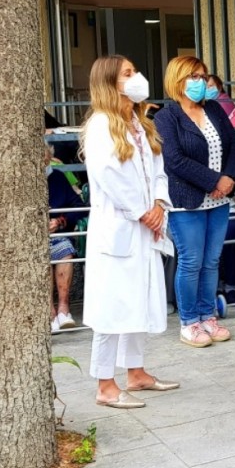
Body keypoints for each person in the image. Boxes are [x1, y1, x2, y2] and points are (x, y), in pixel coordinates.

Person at [81, 55, 179, 409]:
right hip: (119, 229)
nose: (137, 77)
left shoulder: (139, 123)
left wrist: (157, 202)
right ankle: (105, 384)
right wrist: (141, 211)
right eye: (128, 73)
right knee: (111, 307)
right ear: (111, 82)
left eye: (135, 70)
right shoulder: (100, 125)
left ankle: (135, 373)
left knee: (138, 300)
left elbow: (159, 170)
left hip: (144, 226)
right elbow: (110, 178)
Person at [154, 56, 235, 348]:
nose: (201, 82)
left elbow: (233, 145)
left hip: (219, 200)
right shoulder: (166, 117)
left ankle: (209, 316)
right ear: (178, 80)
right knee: (191, 261)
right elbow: (175, 160)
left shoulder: (215, 109)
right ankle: (189, 322)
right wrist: (213, 181)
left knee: (211, 261)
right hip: (187, 201)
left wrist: (229, 178)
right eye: (193, 76)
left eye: (203, 76)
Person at [46, 142, 87, 332]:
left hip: (58, 235)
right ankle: (49, 312)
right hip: (33, 239)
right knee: (39, 256)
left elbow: (78, 206)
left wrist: (59, 221)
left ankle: (63, 308)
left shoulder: (58, 177)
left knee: (64, 251)